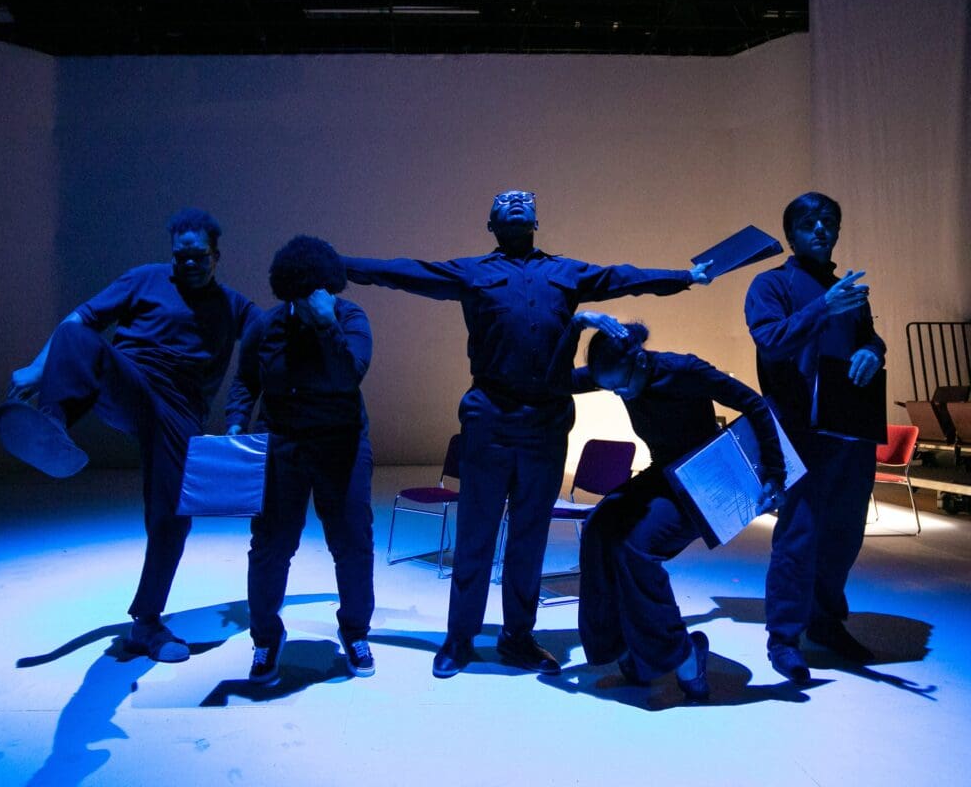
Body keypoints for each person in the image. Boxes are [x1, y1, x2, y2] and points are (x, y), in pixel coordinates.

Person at [341, 189, 713, 678]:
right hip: (490, 420)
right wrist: (339, 265)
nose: (516, 201)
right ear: (491, 222)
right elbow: (406, 272)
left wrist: (685, 277)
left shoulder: (565, 273)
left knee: (528, 537)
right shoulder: (472, 272)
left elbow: (624, 278)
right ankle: (460, 638)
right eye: (504, 200)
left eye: (525, 199)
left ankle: (518, 636)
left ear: (537, 217)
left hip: (545, 424)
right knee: (475, 534)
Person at [0, 208, 259, 663]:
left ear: (216, 256)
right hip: (131, 382)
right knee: (77, 334)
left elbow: (273, 338)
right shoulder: (144, 279)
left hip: (180, 411)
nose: (189, 264)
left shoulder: (236, 306)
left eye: (198, 257)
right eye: (181, 257)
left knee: (173, 517)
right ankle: (53, 426)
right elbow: (78, 321)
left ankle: (147, 623)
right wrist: (39, 369)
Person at [550, 321, 785, 701]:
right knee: (598, 526)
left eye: (622, 386)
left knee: (635, 546)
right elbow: (556, 378)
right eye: (612, 389)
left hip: (701, 483)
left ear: (640, 360)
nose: (620, 394)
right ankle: (621, 648)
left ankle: (686, 655)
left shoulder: (685, 371)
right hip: (663, 476)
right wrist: (573, 326)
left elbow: (755, 404)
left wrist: (774, 473)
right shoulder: (616, 372)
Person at [745, 192, 886, 684]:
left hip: (851, 430)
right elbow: (772, 339)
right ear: (791, 233)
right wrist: (824, 306)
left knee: (845, 533)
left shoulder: (849, 291)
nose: (821, 228)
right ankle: (783, 638)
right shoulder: (771, 284)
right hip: (800, 429)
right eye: (809, 221)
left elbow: (868, 336)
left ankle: (826, 623)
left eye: (830, 220)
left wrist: (873, 350)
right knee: (799, 534)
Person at [225, 235, 376, 683]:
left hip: (341, 445)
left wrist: (327, 324)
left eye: (321, 289)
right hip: (281, 446)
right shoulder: (265, 326)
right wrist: (236, 420)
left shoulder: (350, 319)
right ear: (287, 291)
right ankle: (266, 639)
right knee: (270, 547)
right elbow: (246, 380)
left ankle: (355, 631)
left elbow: (350, 375)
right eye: (303, 291)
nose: (313, 297)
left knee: (352, 544)